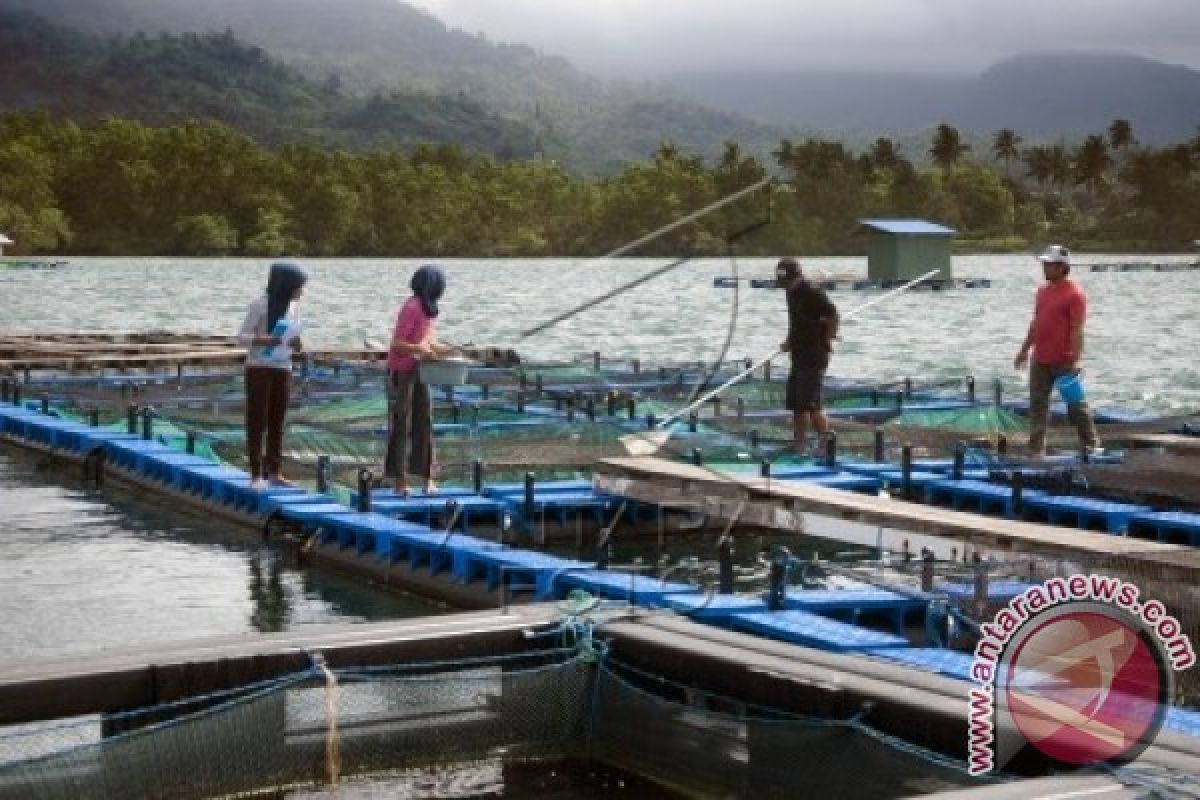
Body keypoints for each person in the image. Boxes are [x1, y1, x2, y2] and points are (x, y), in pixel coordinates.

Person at [1014, 245, 1100, 456]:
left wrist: (1076, 359)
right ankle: (1036, 448)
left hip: (1064, 360)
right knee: (1037, 405)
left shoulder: (1075, 294)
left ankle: (1092, 445)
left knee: (1075, 405)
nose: (1044, 268)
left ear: (1062, 267)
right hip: (1040, 359)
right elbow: (1036, 323)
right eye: (1044, 264)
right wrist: (1024, 349)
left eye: (1049, 264)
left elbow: (1077, 329)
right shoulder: (1042, 291)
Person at [237, 261, 308, 488]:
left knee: (278, 420)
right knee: (257, 419)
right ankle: (256, 473)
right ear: (285, 284)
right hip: (259, 366)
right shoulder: (260, 305)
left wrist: (297, 344)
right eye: (298, 286)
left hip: (282, 366)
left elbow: (293, 332)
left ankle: (274, 470)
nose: (301, 291)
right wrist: (263, 340)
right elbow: (241, 337)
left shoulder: (294, 307)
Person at [386, 265, 454, 495]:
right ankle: (399, 480)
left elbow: (427, 341)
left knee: (425, 421)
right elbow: (397, 344)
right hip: (402, 371)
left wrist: (444, 351)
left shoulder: (430, 309)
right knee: (402, 422)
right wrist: (419, 350)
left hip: (421, 370)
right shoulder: (412, 306)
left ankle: (427, 477)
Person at [777, 257, 839, 455]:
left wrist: (829, 336)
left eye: (788, 281)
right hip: (798, 354)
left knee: (812, 405)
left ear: (797, 276)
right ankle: (799, 443)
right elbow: (794, 323)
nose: (786, 286)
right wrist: (788, 341)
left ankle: (826, 443)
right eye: (783, 283)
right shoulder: (790, 293)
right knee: (797, 404)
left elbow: (833, 315)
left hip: (815, 354)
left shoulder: (812, 292)